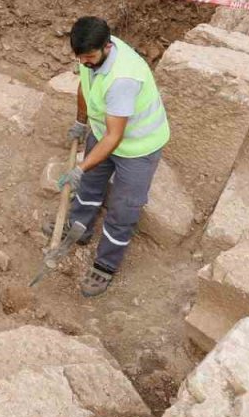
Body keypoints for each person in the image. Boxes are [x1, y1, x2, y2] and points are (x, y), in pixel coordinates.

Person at [57, 17, 170, 297]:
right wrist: (82, 122)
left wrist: (81, 166)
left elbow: (114, 137)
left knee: (124, 208)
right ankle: (79, 229)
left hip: (139, 147)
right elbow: (84, 86)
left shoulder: (123, 78)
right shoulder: (89, 56)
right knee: (89, 187)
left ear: (107, 47)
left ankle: (105, 265)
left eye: (90, 57)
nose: (85, 63)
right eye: (80, 58)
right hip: (102, 130)